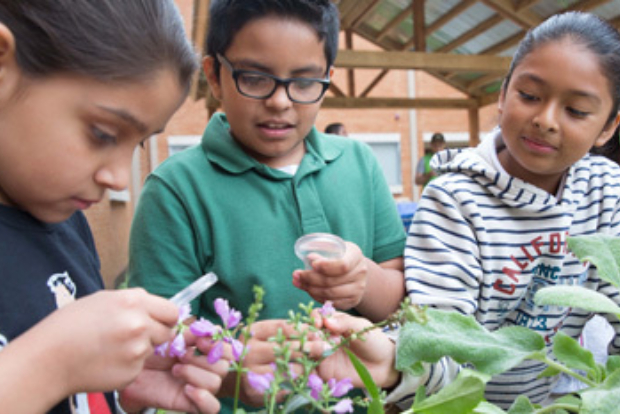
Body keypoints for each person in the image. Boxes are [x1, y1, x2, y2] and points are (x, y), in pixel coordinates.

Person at [304, 11, 620, 410]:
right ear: (504, 94)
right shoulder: (455, 201)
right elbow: (442, 333)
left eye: (576, 111)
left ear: (608, 126)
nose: (545, 120)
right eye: (530, 96)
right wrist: (396, 361)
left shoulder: (607, 191)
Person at [125, 0, 406, 411]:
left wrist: (364, 282)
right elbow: (154, 349)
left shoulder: (359, 164)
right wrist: (232, 371)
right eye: (255, 78)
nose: (280, 101)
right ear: (214, 77)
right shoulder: (176, 190)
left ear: (328, 79)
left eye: (305, 81)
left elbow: (402, 299)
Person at [0, 1, 229, 413]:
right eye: (103, 134)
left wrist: (115, 388)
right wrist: (54, 364)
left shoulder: (67, 225)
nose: (120, 179)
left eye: (138, 142)